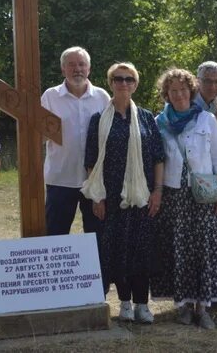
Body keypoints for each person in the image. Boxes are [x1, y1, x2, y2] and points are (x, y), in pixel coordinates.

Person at [82, 62, 165, 324]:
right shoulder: (98, 120)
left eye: (129, 79)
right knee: (117, 250)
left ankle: (143, 304)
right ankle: (125, 303)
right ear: (111, 83)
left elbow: (158, 158)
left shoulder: (147, 118)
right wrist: (97, 197)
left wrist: (158, 192)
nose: (124, 83)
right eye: (118, 79)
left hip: (141, 196)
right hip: (112, 198)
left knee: (141, 250)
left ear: (135, 84)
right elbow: (91, 162)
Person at [150, 68, 217, 330]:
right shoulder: (158, 122)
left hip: (204, 195)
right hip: (174, 195)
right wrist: (158, 191)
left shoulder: (207, 120)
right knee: (179, 249)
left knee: (205, 249)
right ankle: (183, 306)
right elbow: (156, 160)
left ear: (191, 91)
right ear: (166, 94)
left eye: (183, 89)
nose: (179, 94)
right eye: (173, 90)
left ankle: (204, 308)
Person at [41, 46, 110, 236]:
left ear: (89, 68)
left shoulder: (102, 97)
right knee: (55, 234)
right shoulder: (50, 96)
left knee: (97, 235)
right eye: (71, 65)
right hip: (60, 178)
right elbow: (39, 136)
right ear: (63, 69)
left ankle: (97, 268)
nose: (77, 69)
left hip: (94, 180)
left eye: (81, 64)